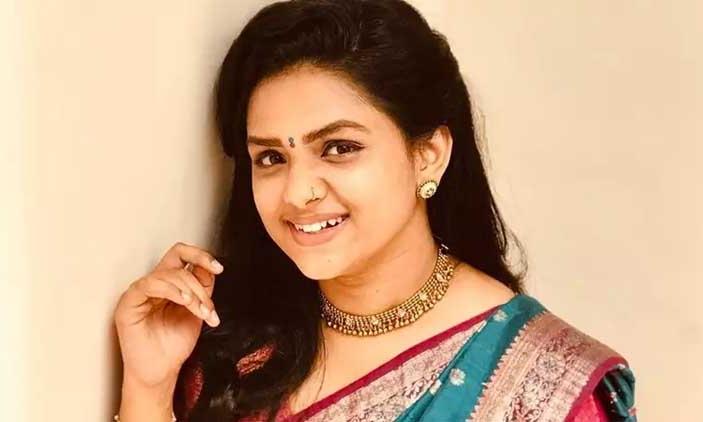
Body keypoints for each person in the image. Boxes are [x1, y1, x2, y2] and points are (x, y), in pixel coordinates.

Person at [113, 0, 637, 421]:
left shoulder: (542, 385)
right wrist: (148, 387)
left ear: (428, 155)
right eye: (271, 158)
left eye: (339, 148)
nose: (298, 192)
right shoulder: (238, 354)